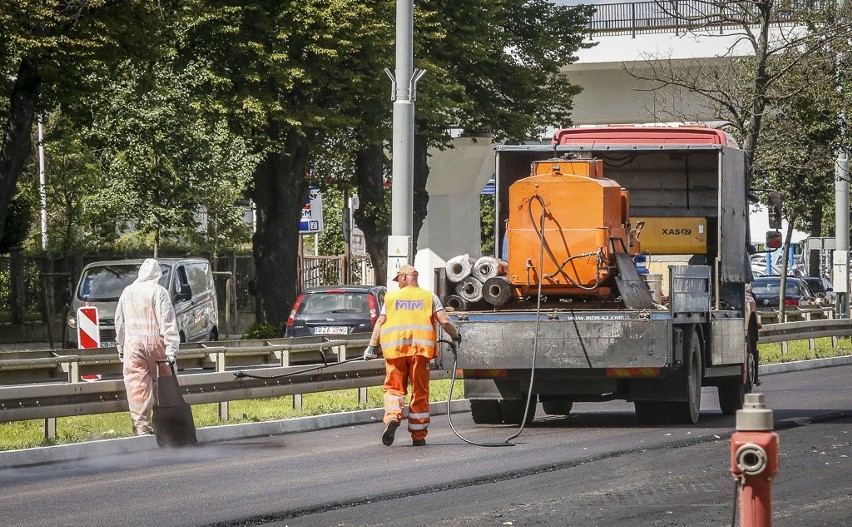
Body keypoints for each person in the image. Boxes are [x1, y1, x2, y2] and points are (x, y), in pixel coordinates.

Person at [364, 264, 461, 447]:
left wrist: (371, 346)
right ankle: (418, 435)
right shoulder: (429, 297)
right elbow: (445, 321)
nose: (397, 284)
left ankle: (392, 417)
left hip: (395, 351)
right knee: (420, 391)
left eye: (398, 279)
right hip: (420, 352)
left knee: (393, 389)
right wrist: (455, 336)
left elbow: (380, 322)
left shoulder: (391, 298)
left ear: (405, 277)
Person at [115, 258, 180, 435]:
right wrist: (171, 348)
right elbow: (167, 321)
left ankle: (141, 426)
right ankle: (166, 425)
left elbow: (119, 322)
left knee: (136, 385)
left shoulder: (127, 292)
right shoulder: (159, 292)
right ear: (157, 274)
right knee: (164, 384)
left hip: (133, 345)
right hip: (156, 344)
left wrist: (121, 347)